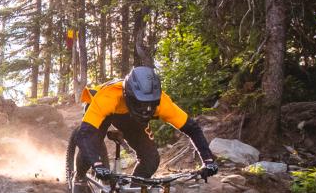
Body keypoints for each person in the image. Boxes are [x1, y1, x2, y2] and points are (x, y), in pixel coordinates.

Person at [73, 66, 219, 182]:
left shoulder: (162, 102)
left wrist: (208, 160)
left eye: (151, 105)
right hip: (106, 111)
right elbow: (85, 135)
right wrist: (97, 164)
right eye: (141, 104)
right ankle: (79, 179)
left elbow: (192, 129)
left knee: (151, 159)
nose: (146, 110)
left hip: (131, 118)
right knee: (93, 142)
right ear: (128, 95)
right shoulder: (108, 97)